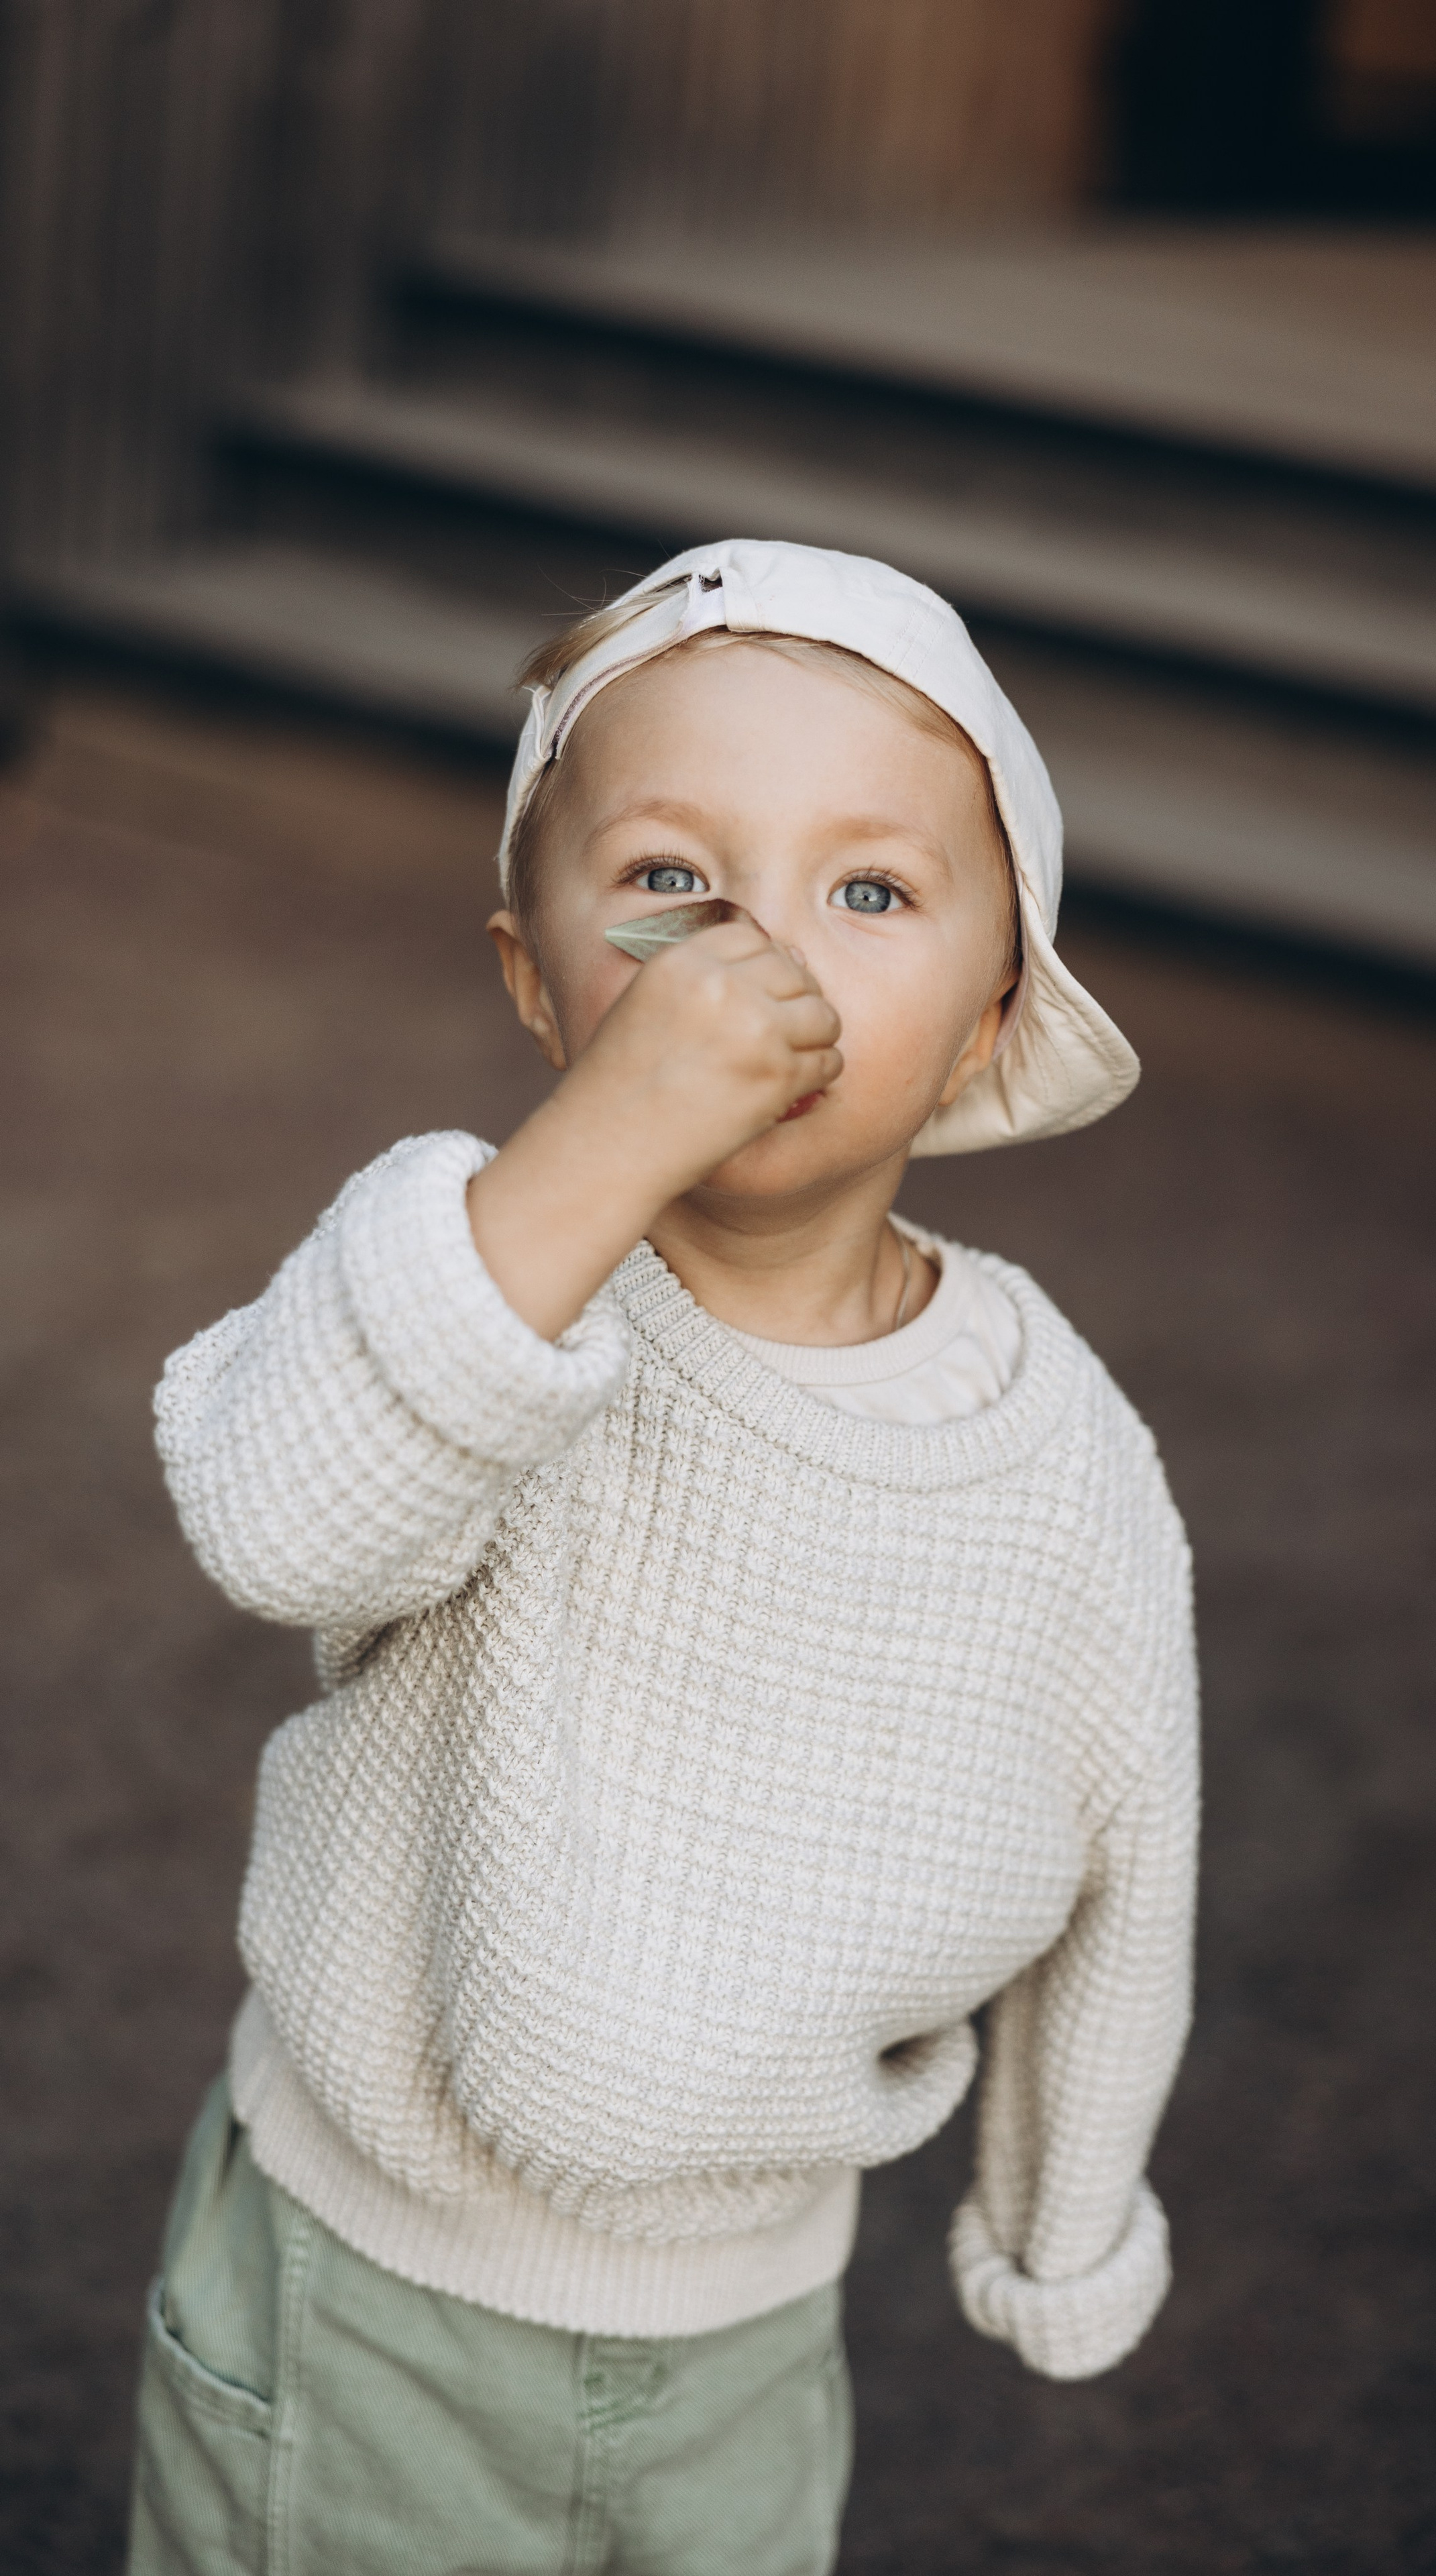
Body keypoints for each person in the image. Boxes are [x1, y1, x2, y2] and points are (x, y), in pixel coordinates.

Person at [129, 539, 1199, 2576]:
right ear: (538, 981)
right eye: (670, 884)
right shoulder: (482, 1282)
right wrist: (602, 1153)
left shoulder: (1049, 1438)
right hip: (367, 2290)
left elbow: (1130, 1840)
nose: (754, 958)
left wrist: (1066, 2214)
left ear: (991, 1015)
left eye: (867, 891)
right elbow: (276, 1518)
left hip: (753, 2324)